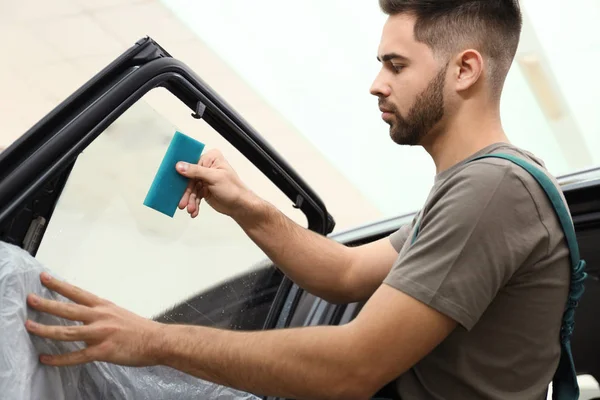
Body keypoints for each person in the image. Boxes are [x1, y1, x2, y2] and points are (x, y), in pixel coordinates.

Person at [24, 1, 572, 399]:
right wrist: (244, 203)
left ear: (466, 70)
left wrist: (154, 340)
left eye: (396, 65)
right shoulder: (478, 184)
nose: (377, 85)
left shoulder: (493, 191)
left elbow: (351, 369)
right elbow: (350, 272)